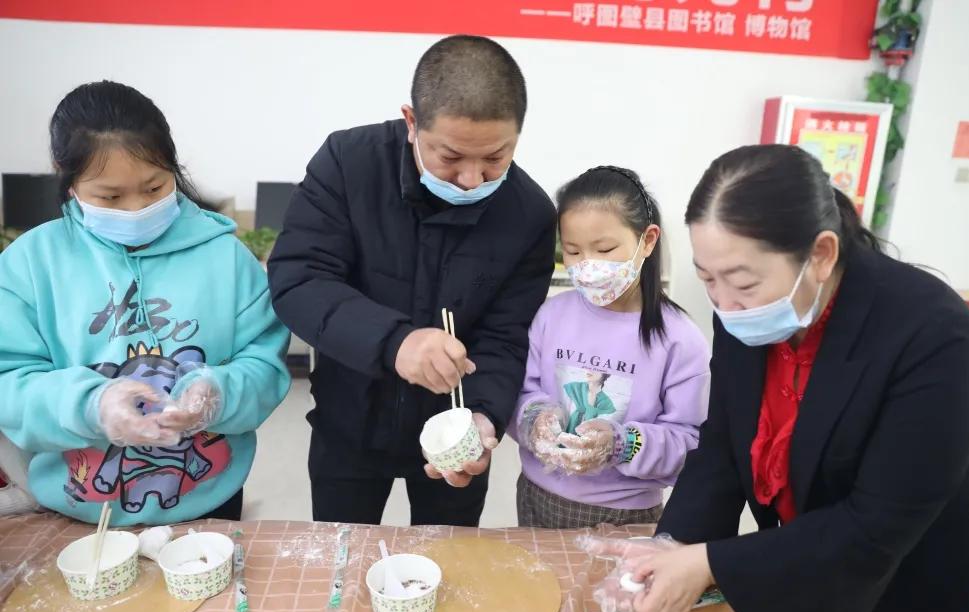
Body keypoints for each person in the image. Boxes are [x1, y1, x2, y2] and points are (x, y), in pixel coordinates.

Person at [583, 145, 969, 612]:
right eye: (708, 279)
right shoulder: (745, 311)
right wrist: (673, 542)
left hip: (920, 593)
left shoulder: (934, 335)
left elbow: (875, 527)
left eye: (742, 282)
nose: (724, 304)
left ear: (821, 255)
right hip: (815, 562)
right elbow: (724, 448)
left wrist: (709, 562)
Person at [267, 35, 556, 526]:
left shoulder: (528, 213)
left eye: (495, 157)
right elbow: (299, 279)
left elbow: (508, 337)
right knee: (342, 563)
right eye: (450, 156)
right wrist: (394, 342)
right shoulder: (348, 163)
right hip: (349, 421)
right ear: (411, 122)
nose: (472, 178)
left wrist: (483, 420)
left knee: (448, 570)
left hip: (455, 436)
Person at [0, 81, 291, 526]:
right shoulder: (29, 264)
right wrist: (91, 406)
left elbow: (265, 365)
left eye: (154, 188)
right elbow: (10, 384)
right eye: (110, 197)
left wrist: (218, 394)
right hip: (76, 507)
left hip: (209, 501)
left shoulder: (225, 257)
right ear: (67, 176)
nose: (136, 209)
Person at [513, 166, 709, 529]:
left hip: (626, 514)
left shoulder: (680, 339)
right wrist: (534, 419)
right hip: (537, 496)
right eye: (572, 251)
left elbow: (691, 444)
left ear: (647, 241)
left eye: (604, 249)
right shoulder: (551, 315)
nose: (587, 265)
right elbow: (520, 391)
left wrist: (621, 444)